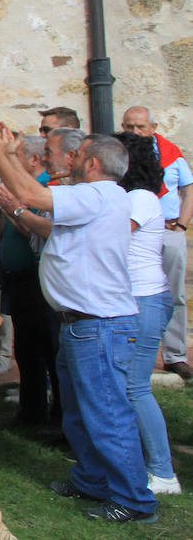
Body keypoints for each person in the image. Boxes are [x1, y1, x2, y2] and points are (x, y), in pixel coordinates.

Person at [0, 122, 157, 523]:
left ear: (91, 163)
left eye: (72, 154)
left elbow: (29, 194)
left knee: (108, 413)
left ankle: (133, 499)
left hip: (99, 325)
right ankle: (92, 479)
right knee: (79, 411)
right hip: (82, 324)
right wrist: (7, 159)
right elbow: (42, 223)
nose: (67, 158)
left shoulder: (97, 194)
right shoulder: (90, 196)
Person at [113, 131, 180, 495]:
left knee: (135, 387)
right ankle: (141, 462)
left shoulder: (139, 198)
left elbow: (114, 234)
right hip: (136, 300)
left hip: (144, 300)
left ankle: (164, 473)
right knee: (127, 386)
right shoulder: (132, 197)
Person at [0, 136, 61, 431]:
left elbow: (38, 234)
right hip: (18, 277)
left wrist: (14, 209)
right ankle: (31, 410)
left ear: (33, 160)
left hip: (35, 277)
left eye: (18, 156)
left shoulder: (43, 189)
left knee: (46, 348)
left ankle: (54, 416)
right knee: (26, 350)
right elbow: (8, 233)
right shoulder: (28, 189)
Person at [120, 106, 193, 381]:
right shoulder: (120, 154)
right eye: (129, 126)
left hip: (168, 229)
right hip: (135, 232)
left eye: (139, 126)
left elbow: (189, 189)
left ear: (152, 127)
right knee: (134, 288)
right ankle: (133, 350)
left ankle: (175, 355)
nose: (134, 132)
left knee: (175, 293)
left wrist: (183, 225)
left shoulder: (172, 154)